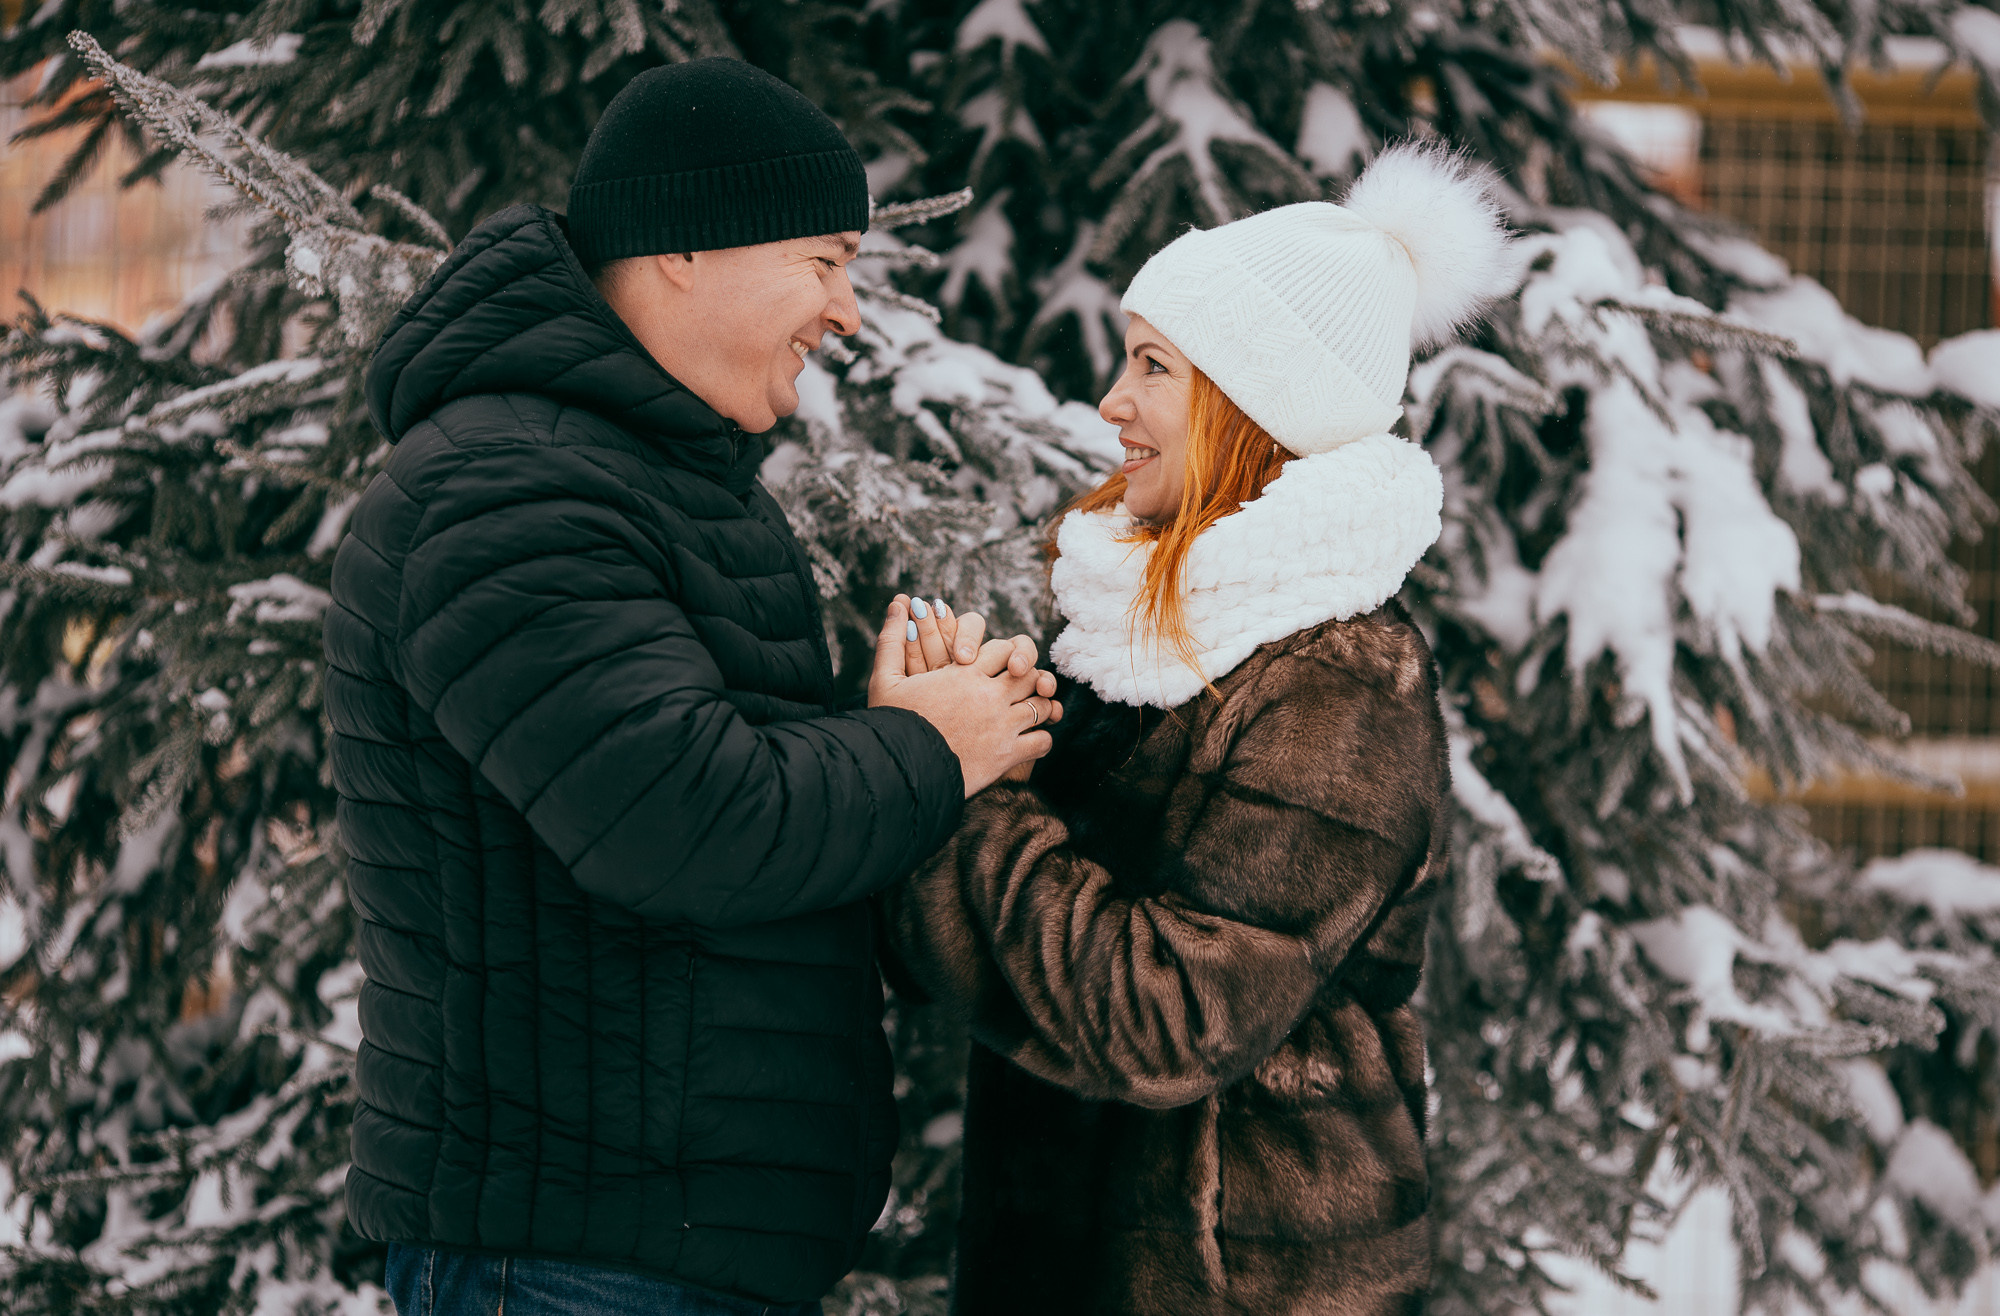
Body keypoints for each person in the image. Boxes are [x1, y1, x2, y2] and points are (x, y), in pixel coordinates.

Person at [322, 58, 1060, 1316]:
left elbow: (692, 795)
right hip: (574, 1260)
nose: (848, 311)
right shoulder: (508, 490)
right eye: (823, 259)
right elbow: (681, 815)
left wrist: (880, 732)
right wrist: (924, 750)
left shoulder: (631, 475)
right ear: (683, 251)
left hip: (638, 1249)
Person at [881, 143, 1518, 1314]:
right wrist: (924, 758)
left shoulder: (1340, 683)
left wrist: (970, 790)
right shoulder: (1126, 637)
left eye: (1151, 367)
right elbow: (999, 956)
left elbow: (1168, 1020)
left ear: (1246, 402)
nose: (1110, 404)